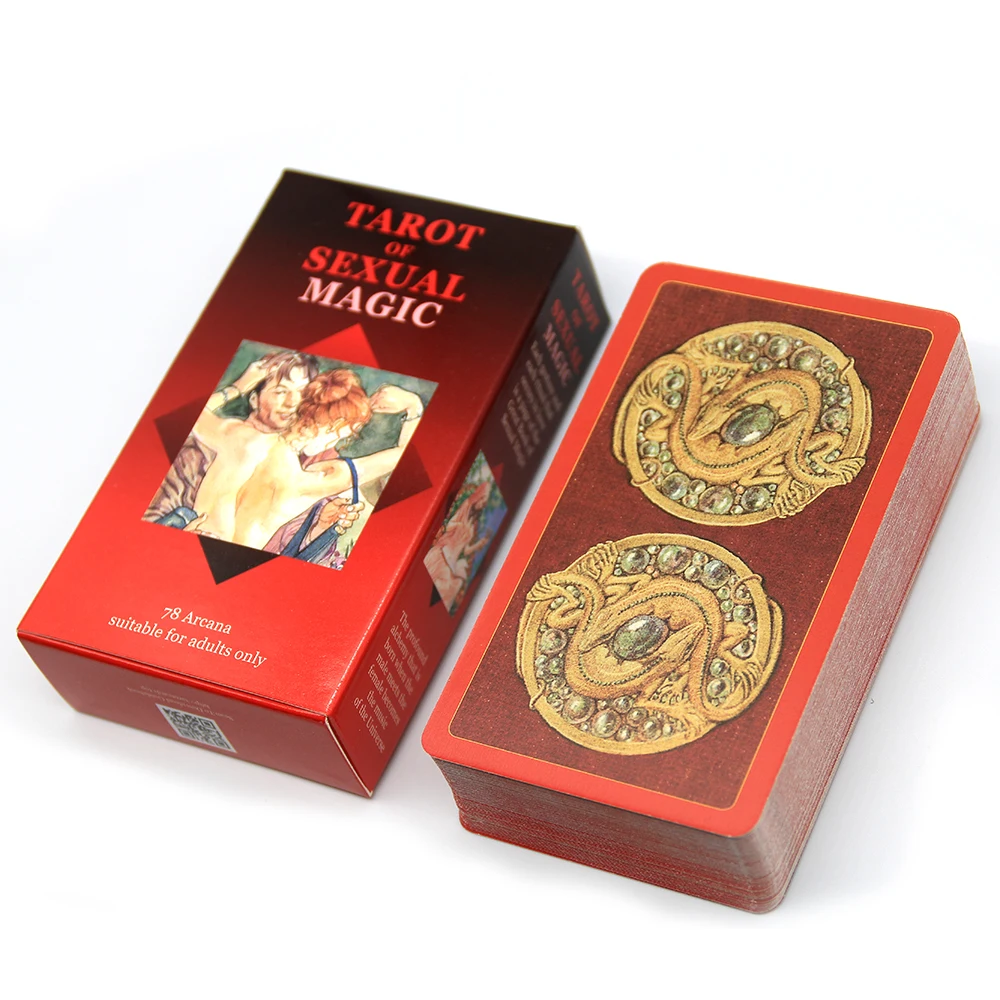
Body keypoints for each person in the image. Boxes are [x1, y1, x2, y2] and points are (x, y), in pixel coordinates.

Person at [228, 370, 423, 553]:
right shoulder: (320, 475)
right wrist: (413, 406)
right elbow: (405, 455)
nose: (338, 443)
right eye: (345, 434)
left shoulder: (250, 441)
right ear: (336, 425)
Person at [424, 481, 492, 609]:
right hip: (443, 552)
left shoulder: (472, 523)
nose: (483, 503)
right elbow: (450, 525)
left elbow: (465, 551)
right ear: (478, 495)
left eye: (485, 501)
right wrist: (460, 526)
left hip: (452, 561)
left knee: (456, 584)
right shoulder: (466, 505)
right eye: (483, 498)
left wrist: (479, 544)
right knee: (442, 583)